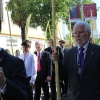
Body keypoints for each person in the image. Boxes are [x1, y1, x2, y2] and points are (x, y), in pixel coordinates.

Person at [52, 21, 100, 100]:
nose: (77, 35)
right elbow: (63, 75)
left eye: (81, 32)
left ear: (88, 34)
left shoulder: (97, 51)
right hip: (76, 97)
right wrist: (56, 61)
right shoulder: (69, 54)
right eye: (75, 33)